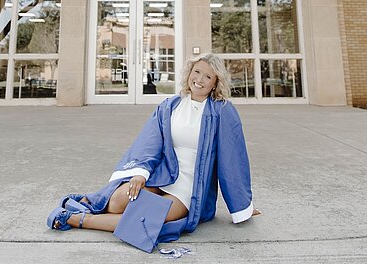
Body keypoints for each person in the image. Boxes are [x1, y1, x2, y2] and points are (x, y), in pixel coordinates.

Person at [47, 53, 260, 243]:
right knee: (118, 203)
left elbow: (233, 160)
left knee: (149, 218)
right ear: (189, 73)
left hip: (190, 183)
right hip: (163, 172)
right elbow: (149, 142)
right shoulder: (170, 106)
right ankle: (103, 212)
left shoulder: (222, 111)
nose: (199, 80)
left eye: (208, 76)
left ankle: (78, 219)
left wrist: (242, 206)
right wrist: (140, 174)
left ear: (215, 83)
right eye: (197, 72)